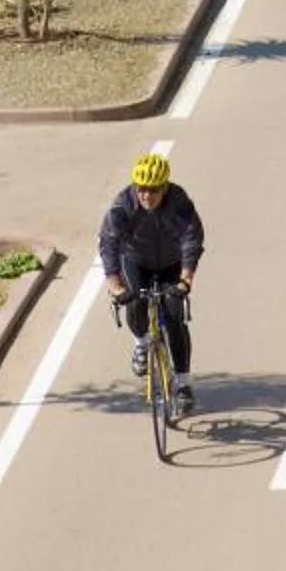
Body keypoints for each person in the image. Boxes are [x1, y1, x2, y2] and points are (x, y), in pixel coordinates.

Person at [99, 148, 206, 411]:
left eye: (154, 190)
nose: (146, 195)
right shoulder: (124, 204)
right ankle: (141, 343)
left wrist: (185, 280)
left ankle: (183, 383)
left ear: (165, 187)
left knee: (173, 318)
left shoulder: (179, 202)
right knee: (134, 302)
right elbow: (109, 243)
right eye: (141, 189)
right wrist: (115, 285)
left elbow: (192, 238)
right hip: (136, 260)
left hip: (171, 263)